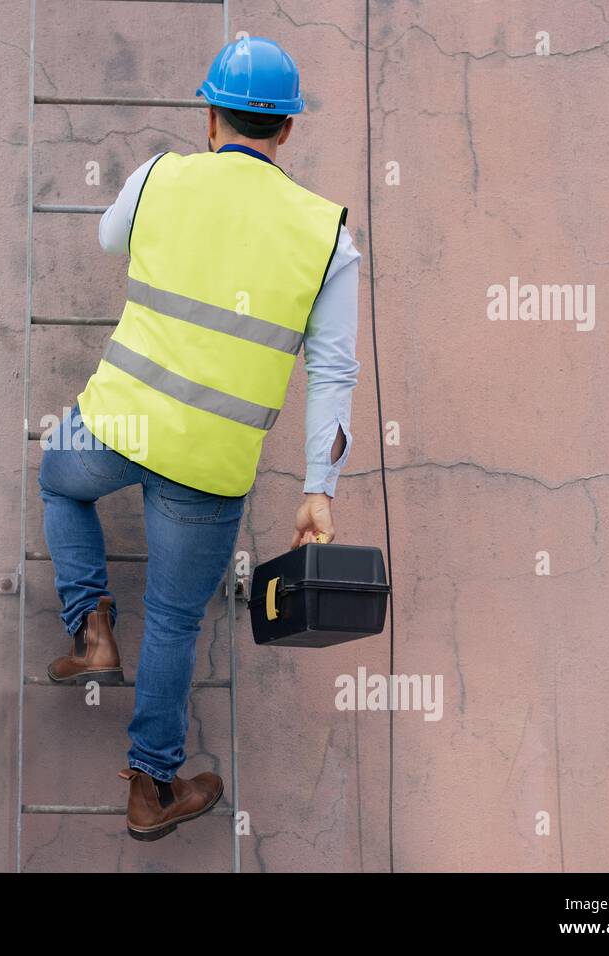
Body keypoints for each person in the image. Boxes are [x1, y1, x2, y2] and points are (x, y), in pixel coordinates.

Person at [37, 36, 361, 842]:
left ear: (209, 116)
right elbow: (334, 372)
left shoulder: (160, 177)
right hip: (211, 467)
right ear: (287, 130)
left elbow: (111, 241)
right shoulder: (327, 236)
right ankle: (151, 788)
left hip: (120, 421)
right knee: (178, 621)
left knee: (58, 478)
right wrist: (318, 488)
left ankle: (92, 628)